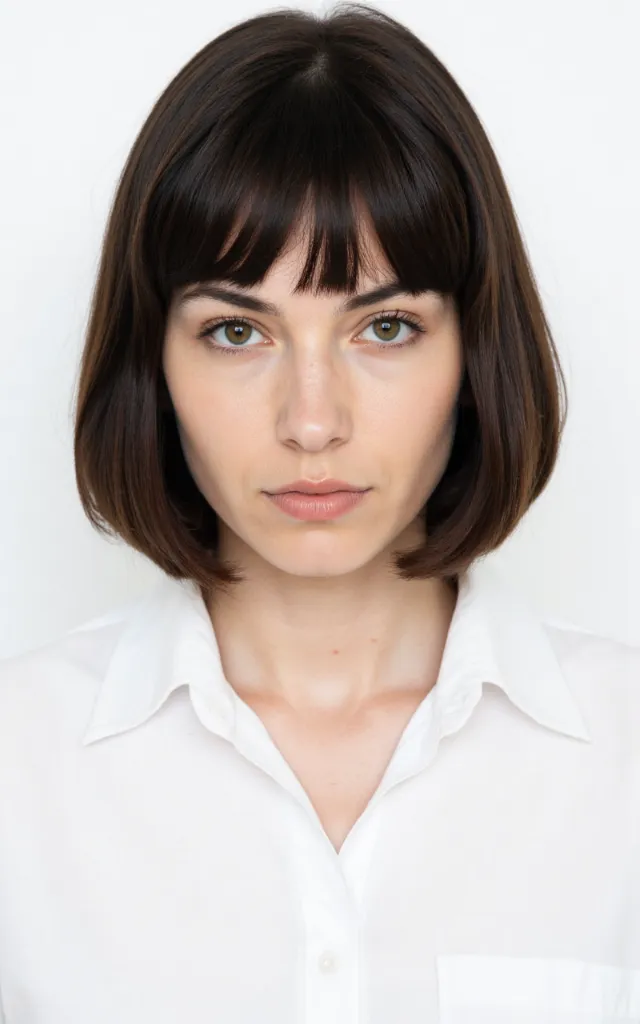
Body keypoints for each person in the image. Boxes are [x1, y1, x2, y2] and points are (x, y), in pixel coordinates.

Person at [0, 3, 638, 1021]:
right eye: (235, 332)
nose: (311, 421)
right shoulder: (18, 767)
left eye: (383, 327)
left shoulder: (622, 761)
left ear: (474, 354)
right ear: (151, 361)